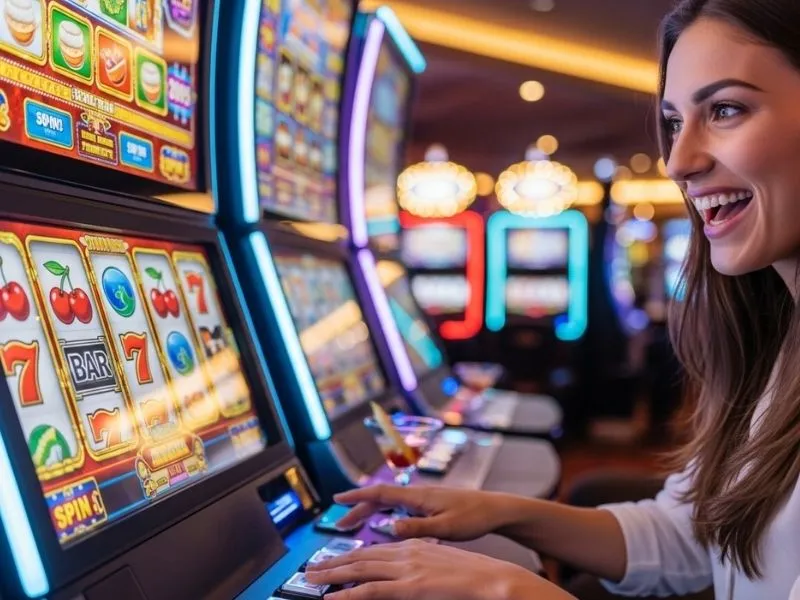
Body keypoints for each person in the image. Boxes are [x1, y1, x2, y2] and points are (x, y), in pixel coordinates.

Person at [306, 0, 800, 597]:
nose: (678, 161)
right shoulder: (776, 348)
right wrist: (501, 512)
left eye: (726, 109)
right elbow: (696, 538)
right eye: (674, 122)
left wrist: (509, 590)